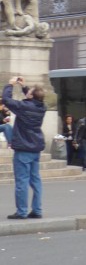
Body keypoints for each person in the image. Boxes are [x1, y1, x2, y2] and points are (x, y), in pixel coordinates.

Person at [6, 78, 46, 219]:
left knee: (21, 181)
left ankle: (22, 211)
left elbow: (6, 99)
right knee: (35, 180)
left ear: (30, 96)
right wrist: (24, 87)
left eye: (28, 92)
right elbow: (34, 98)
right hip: (35, 147)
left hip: (23, 147)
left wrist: (10, 85)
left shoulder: (24, 107)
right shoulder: (42, 107)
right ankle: (37, 210)